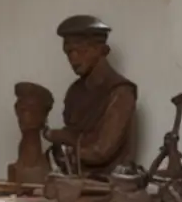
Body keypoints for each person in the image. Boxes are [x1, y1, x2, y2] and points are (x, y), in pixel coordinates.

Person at [45, 16, 136, 178]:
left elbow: (102, 151)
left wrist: (66, 144)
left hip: (106, 182)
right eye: (68, 53)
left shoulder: (121, 92)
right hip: (75, 177)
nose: (73, 59)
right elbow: (72, 133)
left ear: (101, 50)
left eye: (81, 51)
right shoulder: (75, 91)